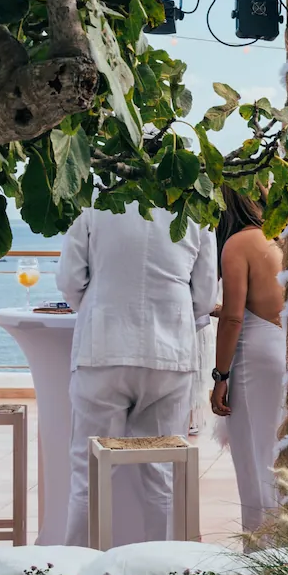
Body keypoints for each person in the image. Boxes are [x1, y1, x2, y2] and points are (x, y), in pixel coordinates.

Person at [57, 205, 217, 546]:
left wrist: (95, 303)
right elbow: (204, 297)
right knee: (161, 474)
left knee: (88, 475)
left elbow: (69, 281)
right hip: (169, 351)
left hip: (103, 347)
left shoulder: (95, 199)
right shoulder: (195, 206)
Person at [212, 189, 288, 534]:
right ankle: (282, 546)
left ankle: (260, 552)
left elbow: (233, 318)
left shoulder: (237, 245)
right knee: (274, 455)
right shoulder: (275, 238)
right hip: (279, 348)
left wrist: (220, 376)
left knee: (253, 460)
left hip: (252, 358)